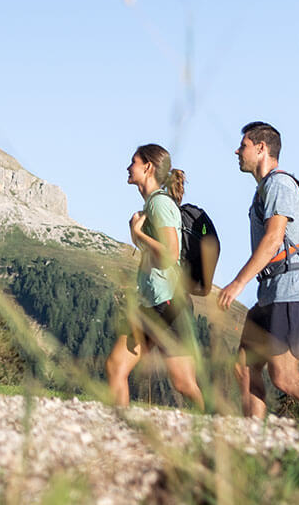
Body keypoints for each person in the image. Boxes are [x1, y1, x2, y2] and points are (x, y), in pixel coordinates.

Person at [217, 121, 299, 418]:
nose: (237, 151)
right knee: (244, 367)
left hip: (290, 290)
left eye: (243, 146)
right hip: (270, 292)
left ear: (261, 148)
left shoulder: (279, 185)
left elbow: (273, 240)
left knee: (284, 377)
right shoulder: (264, 189)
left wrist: (238, 282)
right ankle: (255, 436)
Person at [106, 143, 215, 409]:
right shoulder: (153, 204)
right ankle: (120, 427)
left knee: (183, 383)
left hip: (167, 304)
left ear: (148, 167)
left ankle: (212, 426)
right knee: (117, 367)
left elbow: (171, 253)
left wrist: (137, 233)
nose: (128, 167)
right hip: (156, 302)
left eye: (133, 162)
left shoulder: (159, 204)